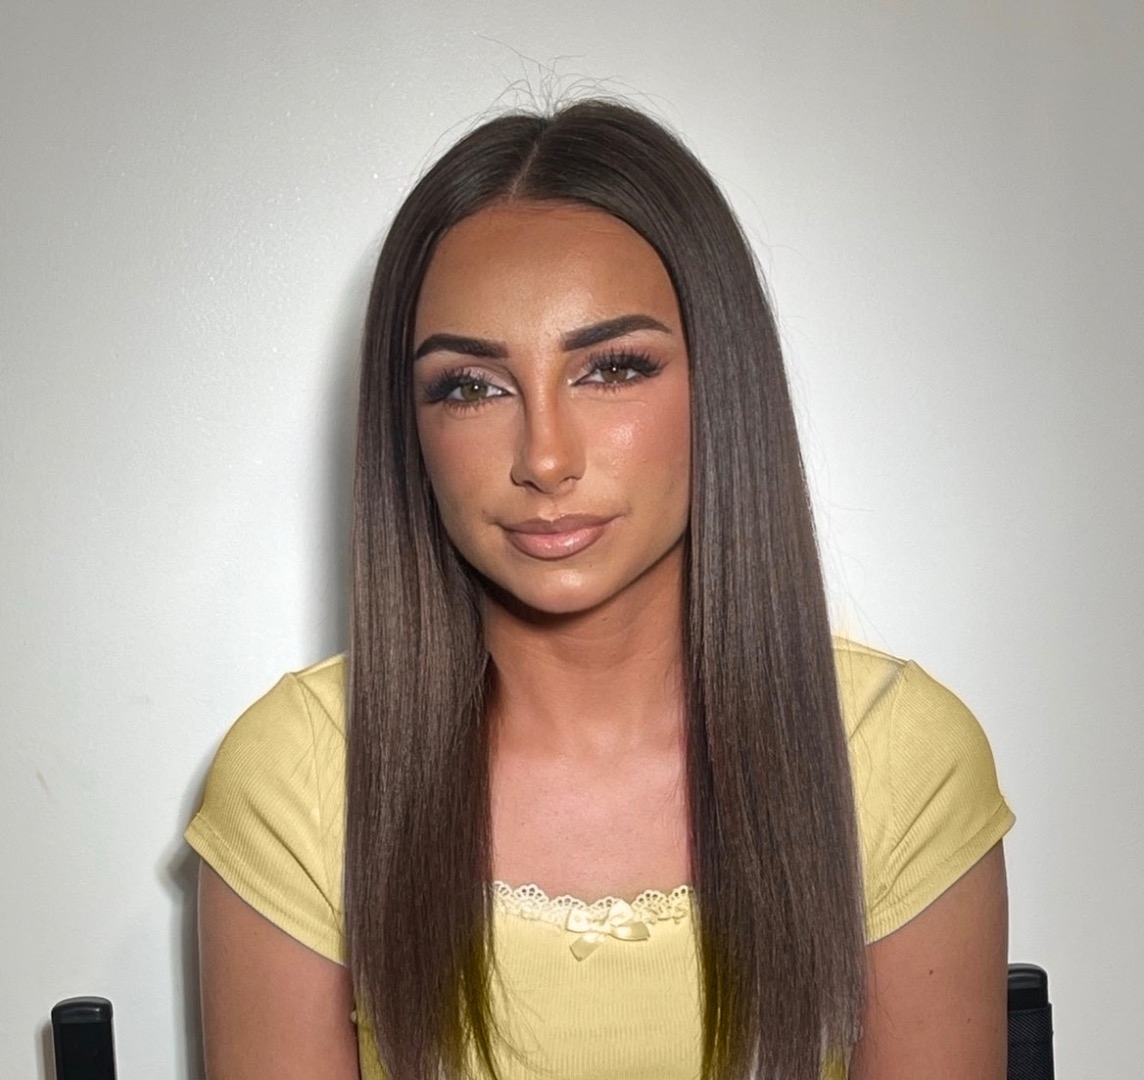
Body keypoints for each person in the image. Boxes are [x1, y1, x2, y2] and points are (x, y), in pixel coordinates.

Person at [185, 99, 1014, 1080]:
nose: (544, 456)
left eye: (612, 369)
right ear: (411, 427)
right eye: (470, 386)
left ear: (720, 385)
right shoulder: (300, 777)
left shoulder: (893, 757)